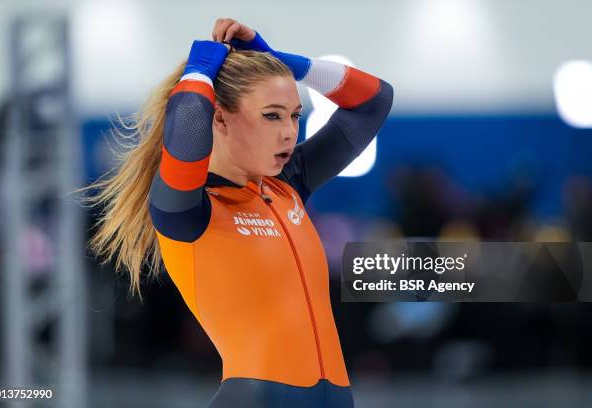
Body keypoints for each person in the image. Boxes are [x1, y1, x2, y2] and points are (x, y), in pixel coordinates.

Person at [83, 18, 393, 408]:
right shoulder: (187, 209)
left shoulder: (288, 185)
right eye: (272, 115)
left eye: (295, 115)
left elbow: (373, 101)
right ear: (219, 118)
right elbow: (189, 119)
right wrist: (198, 73)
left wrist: (281, 61)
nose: (289, 133)